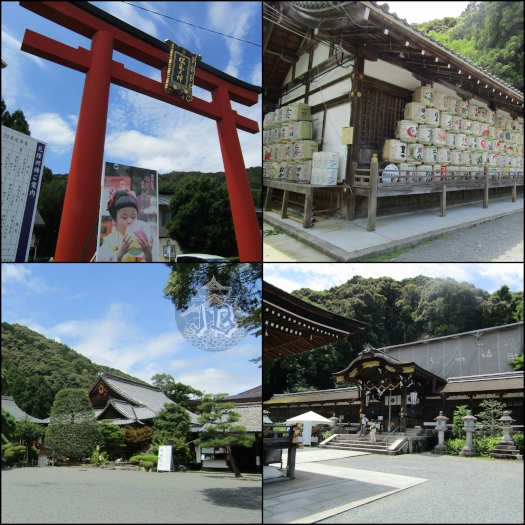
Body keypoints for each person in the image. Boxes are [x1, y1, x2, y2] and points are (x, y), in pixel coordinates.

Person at [98, 188, 154, 262]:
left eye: (133, 217)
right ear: (115, 220)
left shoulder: (143, 238)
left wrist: (148, 253)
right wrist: (120, 254)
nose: (130, 221)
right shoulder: (110, 242)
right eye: (124, 217)